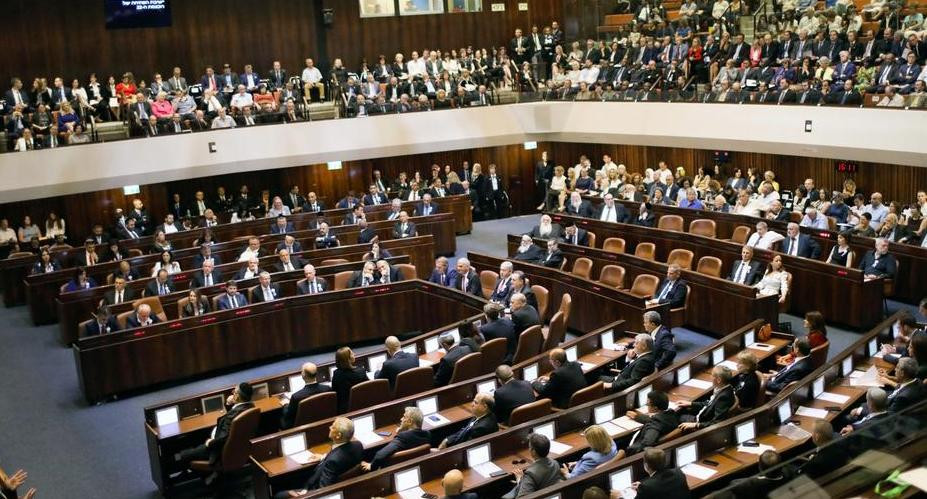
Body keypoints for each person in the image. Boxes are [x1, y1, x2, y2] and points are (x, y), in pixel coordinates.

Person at [274, 417, 364, 496]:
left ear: (338, 435)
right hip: (347, 488)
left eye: (333, 427)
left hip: (313, 490)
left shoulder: (332, 461)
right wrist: (323, 457)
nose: (329, 428)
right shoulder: (358, 445)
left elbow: (323, 490)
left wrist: (305, 494)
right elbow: (341, 457)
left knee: (279, 495)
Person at [176, 383, 255, 469]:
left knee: (183, 455)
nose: (232, 393)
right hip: (236, 448)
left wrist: (210, 443)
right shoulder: (250, 407)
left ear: (237, 396)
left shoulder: (232, 417)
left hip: (217, 449)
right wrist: (228, 404)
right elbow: (235, 414)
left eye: (234, 392)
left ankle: (208, 478)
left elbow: (224, 438)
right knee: (197, 441)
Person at [361, 407, 431, 471]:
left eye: (404, 417)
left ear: (409, 421)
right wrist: (403, 430)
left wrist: (372, 466)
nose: (401, 419)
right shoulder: (427, 434)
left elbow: (380, 455)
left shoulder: (403, 437)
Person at [502, 433, 563, 498]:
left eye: (530, 447)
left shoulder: (530, 474)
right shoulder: (555, 464)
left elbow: (522, 497)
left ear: (533, 451)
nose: (529, 449)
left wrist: (520, 480)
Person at [676, 365, 736, 430]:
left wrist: (696, 425)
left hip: (701, 422)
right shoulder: (725, 388)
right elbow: (709, 404)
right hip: (704, 414)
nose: (710, 377)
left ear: (718, 380)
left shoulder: (724, 397)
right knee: (684, 409)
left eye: (712, 375)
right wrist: (690, 403)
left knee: (677, 416)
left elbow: (717, 422)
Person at [625, 391, 681, 455]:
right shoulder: (671, 414)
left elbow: (647, 444)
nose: (646, 405)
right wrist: (637, 417)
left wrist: (629, 452)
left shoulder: (655, 425)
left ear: (655, 408)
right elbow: (656, 420)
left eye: (648, 404)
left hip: (635, 450)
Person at [280, 362, 332, 429]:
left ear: (303, 375)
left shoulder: (296, 397)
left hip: (302, 428)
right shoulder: (327, 389)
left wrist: (285, 405)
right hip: (324, 424)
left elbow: (289, 415)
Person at [727, 450, 795, 497]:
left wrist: (755, 477)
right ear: (781, 465)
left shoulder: (752, 483)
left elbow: (733, 483)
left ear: (760, 468)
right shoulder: (789, 472)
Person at [331, 347, 368, 414]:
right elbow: (368, 386)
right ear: (347, 359)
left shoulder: (336, 374)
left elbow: (334, 393)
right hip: (362, 405)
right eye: (351, 353)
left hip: (344, 410)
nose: (354, 354)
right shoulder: (361, 372)